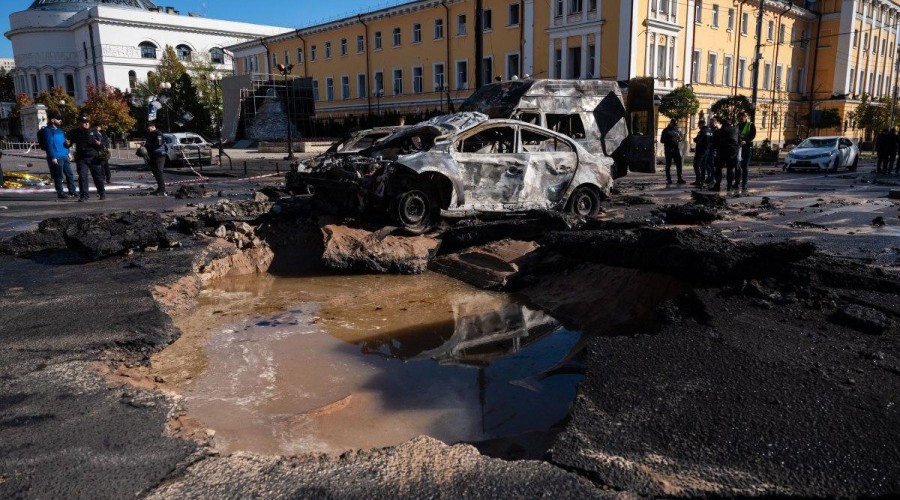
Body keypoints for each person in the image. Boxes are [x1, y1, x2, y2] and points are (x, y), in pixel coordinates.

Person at [67, 116, 105, 201]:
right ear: (80, 123)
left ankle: (102, 193)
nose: (86, 123)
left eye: (87, 122)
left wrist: (99, 143)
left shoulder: (94, 132)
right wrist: (66, 144)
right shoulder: (75, 132)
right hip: (81, 158)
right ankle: (84, 195)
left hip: (93, 157)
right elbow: (69, 143)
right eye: (84, 122)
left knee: (97, 176)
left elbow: (104, 142)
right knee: (83, 177)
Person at [42, 112, 78, 200]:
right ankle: (60, 193)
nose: (60, 120)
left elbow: (65, 142)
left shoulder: (60, 130)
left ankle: (72, 191)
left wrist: (68, 152)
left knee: (69, 174)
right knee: (58, 176)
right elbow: (49, 145)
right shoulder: (47, 130)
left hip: (64, 155)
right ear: (52, 120)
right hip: (57, 156)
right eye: (58, 119)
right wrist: (53, 157)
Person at [711, 117, 740, 192]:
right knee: (730, 169)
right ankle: (729, 186)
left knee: (718, 168)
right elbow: (739, 141)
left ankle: (717, 186)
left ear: (722, 124)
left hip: (722, 152)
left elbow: (714, 143)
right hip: (733, 152)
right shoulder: (736, 130)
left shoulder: (718, 131)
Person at [143, 121, 167, 196]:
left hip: (159, 155)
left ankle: (162, 189)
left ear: (153, 126)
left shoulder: (158, 133)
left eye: (148, 128)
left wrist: (149, 146)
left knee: (158, 171)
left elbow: (158, 144)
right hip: (153, 155)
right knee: (155, 172)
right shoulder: (151, 134)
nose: (147, 129)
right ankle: (160, 188)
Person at [660, 119, 686, 184]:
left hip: (676, 149)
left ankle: (679, 179)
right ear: (671, 123)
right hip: (668, 149)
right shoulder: (666, 130)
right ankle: (669, 179)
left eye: (675, 125)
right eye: (674, 124)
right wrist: (671, 140)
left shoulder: (676, 130)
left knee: (679, 164)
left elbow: (680, 137)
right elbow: (662, 140)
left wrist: (680, 138)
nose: (675, 126)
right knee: (668, 164)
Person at [736, 112, 756, 191]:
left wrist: (746, 141)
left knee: (744, 167)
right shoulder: (737, 126)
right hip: (739, 148)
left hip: (747, 148)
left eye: (742, 117)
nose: (741, 119)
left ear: (745, 117)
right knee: (737, 166)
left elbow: (752, 135)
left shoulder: (750, 125)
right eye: (739, 118)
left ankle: (744, 184)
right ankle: (736, 183)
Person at [692, 118, 712, 186]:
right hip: (707, 151)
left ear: (701, 124)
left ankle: (698, 180)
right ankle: (702, 180)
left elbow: (697, 140)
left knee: (696, 165)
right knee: (703, 166)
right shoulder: (710, 131)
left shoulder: (702, 131)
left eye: (698, 125)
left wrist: (694, 139)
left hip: (700, 151)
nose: (698, 126)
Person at [705, 118, 719, 185]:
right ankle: (709, 176)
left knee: (712, 164)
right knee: (707, 164)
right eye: (710, 122)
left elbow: (718, 140)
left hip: (714, 150)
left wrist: (712, 143)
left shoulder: (717, 131)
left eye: (712, 123)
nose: (710, 124)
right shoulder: (709, 130)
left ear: (715, 123)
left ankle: (713, 178)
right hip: (708, 149)